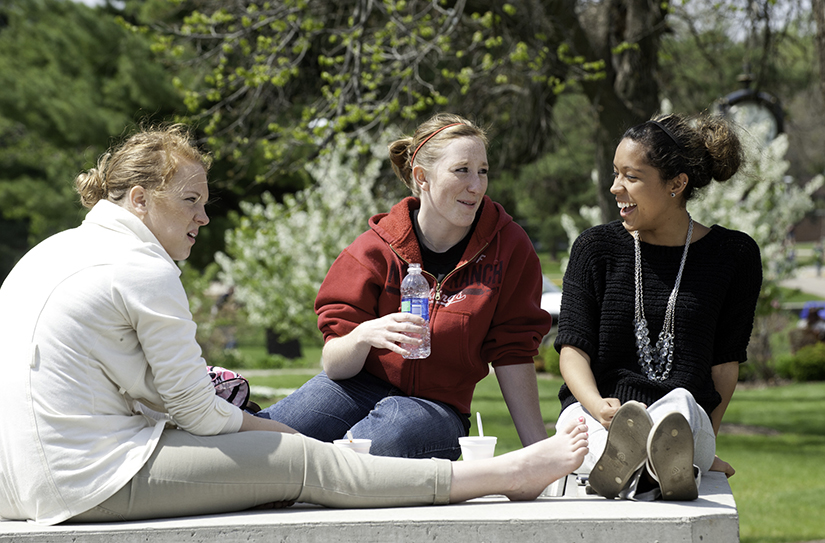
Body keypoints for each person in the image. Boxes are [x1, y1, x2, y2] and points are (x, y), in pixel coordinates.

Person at [0, 125, 588, 526]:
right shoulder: (143, 268)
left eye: (483, 170)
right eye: (191, 200)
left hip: (28, 481)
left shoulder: (51, 251)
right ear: (138, 199)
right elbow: (197, 414)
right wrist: (287, 436)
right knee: (298, 458)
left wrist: (252, 429)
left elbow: (515, 347)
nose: (205, 217)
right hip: (88, 478)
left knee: (344, 444)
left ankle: (511, 466)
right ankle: (503, 473)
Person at [256, 113, 553, 460]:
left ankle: (312, 479)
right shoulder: (373, 250)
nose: (477, 185)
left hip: (437, 409)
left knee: (373, 445)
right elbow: (334, 364)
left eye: (482, 171)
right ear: (421, 177)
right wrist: (365, 334)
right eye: (462, 170)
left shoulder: (509, 248)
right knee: (266, 439)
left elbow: (513, 352)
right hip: (355, 387)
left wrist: (542, 454)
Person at [554, 113, 762, 501]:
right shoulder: (595, 248)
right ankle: (648, 469)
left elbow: (724, 366)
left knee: (679, 407)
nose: (616, 188)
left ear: (676, 184)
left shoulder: (734, 255)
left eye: (631, 177)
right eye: (615, 173)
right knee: (587, 430)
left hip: (683, 418)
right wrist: (598, 406)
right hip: (599, 415)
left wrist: (706, 444)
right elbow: (572, 350)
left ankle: (656, 465)